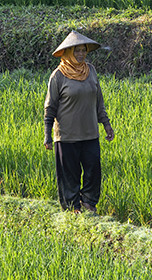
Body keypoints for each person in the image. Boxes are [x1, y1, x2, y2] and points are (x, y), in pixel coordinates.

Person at [43, 30, 114, 213]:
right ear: (68, 53)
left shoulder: (90, 71)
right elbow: (50, 108)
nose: (81, 54)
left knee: (93, 171)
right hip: (66, 135)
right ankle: (72, 206)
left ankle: (89, 202)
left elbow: (99, 100)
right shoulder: (58, 76)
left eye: (83, 50)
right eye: (76, 51)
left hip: (90, 133)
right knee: (69, 174)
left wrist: (106, 124)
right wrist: (47, 135)